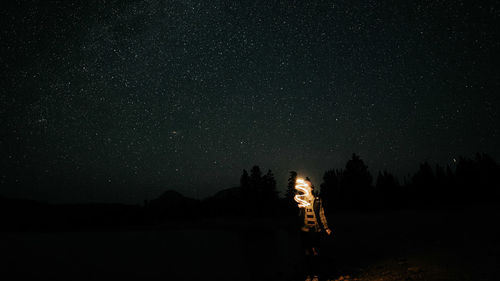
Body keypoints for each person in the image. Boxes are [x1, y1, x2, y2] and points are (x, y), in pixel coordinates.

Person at [295, 178, 332, 280]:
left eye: (307, 185)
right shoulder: (301, 200)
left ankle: (315, 275)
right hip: (305, 230)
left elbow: (321, 214)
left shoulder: (317, 200)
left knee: (315, 252)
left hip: (315, 230)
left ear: (311, 188)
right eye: (304, 185)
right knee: (306, 252)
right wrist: (299, 207)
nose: (305, 186)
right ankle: (308, 275)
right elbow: (298, 215)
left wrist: (326, 227)